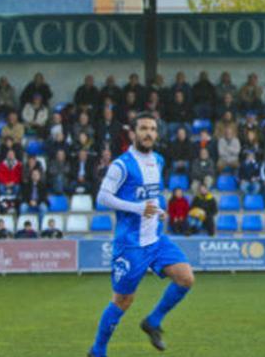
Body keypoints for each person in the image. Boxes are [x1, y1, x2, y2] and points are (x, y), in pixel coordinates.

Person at [88, 112, 194, 356]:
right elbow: (103, 197)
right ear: (133, 133)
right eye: (144, 129)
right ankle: (97, 351)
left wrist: (160, 209)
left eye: (153, 129)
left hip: (156, 240)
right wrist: (138, 208)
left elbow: (151, 194)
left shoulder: (158, 160)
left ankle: (153, 322)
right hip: (130, 244)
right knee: (123, 301)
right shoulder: (121, 165)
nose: (149, 133)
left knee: (186, 278)